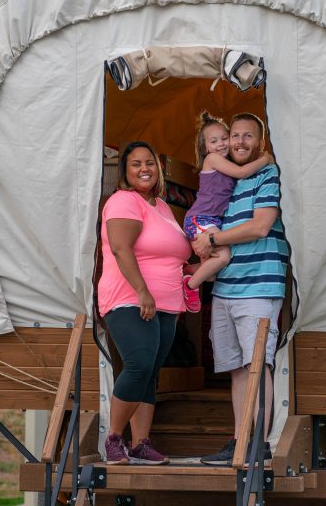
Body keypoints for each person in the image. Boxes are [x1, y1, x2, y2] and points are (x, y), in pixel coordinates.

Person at [192, 113, 288, 466]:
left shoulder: (268, 174)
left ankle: (258, 443)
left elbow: (261, 226)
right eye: (235, 136)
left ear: (260, 143)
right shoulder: (228, 180)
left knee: (256, 364)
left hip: (259, 284)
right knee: (236, 368)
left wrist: (212, 238)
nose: (240, 142)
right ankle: (239, 439)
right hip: (227, 287)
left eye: (249, 136)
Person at [98, 141, 192, 465]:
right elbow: (122, 249)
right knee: (138, 365)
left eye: (149, 162)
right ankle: (113, 438)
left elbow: (170, 255)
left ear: (159, 167)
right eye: (136, 164)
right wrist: (142, 291)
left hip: (167, 304)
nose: (144, 169)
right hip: (130, 299)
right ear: (125, 171)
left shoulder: (161, 207)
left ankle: (140, 443)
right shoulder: (124, 201)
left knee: (150, 372)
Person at [181, 111, 273, 312]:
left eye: (225, 138)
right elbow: (241, 172)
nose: (221, 144)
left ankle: (184, 271)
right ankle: (188, 286)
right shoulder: (213, 159)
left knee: (212, 273)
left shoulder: (227, 164)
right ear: (206, 148)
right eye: (214, 141)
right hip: (201, 218)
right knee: (223, 258)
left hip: (211, 220)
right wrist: (266, 158)